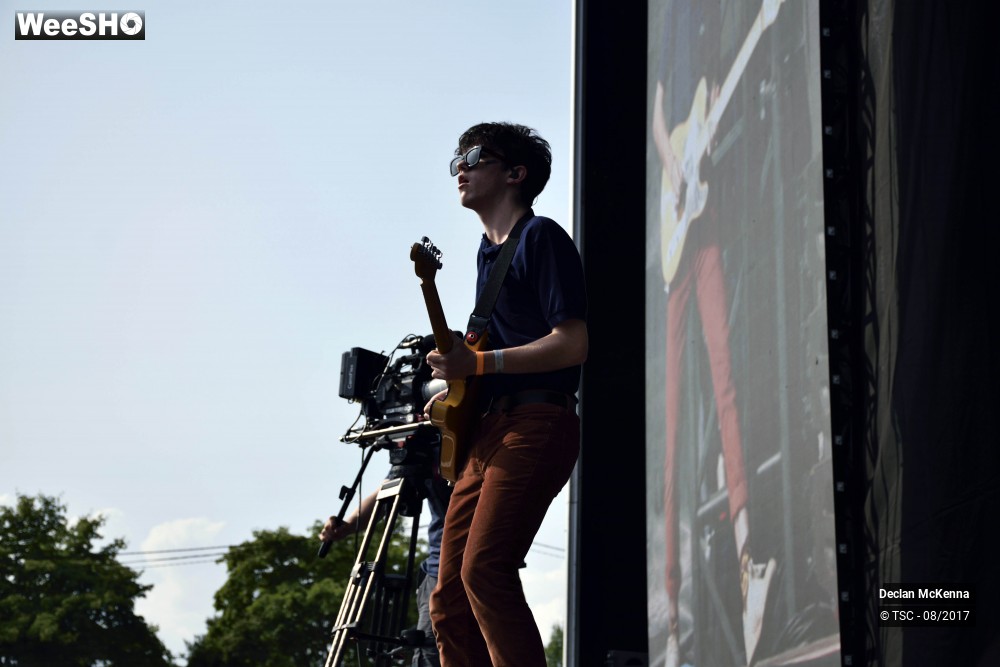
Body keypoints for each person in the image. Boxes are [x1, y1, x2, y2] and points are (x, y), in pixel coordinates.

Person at [423, 122, 587, 666]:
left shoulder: (542, 237)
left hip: (538, 422)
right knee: (447, 599)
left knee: (484, 570)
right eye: (456, 160)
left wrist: (479, 362)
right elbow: (491, 353)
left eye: (474, 156)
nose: (460, 169)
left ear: (515, 173)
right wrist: (456, 390)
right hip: (489, 430)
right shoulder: (485, 255)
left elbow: (573, 343)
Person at [652, 2, 776, 666]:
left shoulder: (717, 16)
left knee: (725, 378)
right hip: (678, 226)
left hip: (707, 217)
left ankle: (749, 557)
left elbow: (712, 95)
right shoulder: (671, 18)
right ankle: (673, 616)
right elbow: (660, 114)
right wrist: (675, 167)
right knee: (671, 424)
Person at [320, 449, 452, 667]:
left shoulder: (457, 437)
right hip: (437, 570)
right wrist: (348, 525)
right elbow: (388, 488)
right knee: (430, 651)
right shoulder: (419, 449)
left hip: (474, 563)